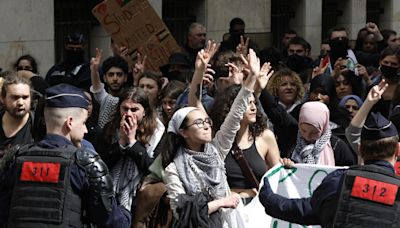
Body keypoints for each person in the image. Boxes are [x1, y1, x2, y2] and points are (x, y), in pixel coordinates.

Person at [0, 83, 131, 227]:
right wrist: (126, 212)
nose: (86, 130)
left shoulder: (15, 157)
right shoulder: (85, 163)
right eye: (83, 123)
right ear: (70, 122)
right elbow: (112, 222)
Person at [162, 42, 260, 227]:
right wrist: (222, 202)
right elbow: (181, 211)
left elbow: (235, 114)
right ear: (183, 132)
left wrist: (251, 79)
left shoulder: (215, 151)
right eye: (199, 123)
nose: (206, 126)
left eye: (207, 121)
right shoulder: (173, 169)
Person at [259, 97, 400, 227]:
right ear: (398, 150)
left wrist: (268, 196)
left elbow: (304, 210)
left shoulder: (339, 180)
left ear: (361, 149)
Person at [0, 75, 33, 160]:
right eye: (15, 97)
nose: (20, 102)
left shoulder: (37, 126)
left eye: (25, 97)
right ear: (3, 98)